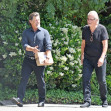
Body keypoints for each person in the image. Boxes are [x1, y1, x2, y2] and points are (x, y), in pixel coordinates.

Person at [12, 12, 52, 107]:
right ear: (30, 21)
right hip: (28, 60)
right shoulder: (26, 32)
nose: (38, 22)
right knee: (23, 79)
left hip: (40, 60)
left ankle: (41, 101)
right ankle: (19, 99)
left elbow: (48, 46)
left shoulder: (44, 32)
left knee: (40, 80)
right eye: (35, 20)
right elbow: (24, 45)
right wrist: (32, 49)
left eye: (38, 20)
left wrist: (48, 57)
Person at [80, 11, 108, 108]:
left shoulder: (102, 29)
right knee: (85, 79)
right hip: (88, 58)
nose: (88, 21)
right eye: (88, 19)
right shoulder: (85, 29)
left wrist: (102, 57)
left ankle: (104, 99)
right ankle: (87, 101)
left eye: (91, 19)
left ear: (96, 20)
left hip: (99, 59)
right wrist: (82, 55)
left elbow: (105, 45)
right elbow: (83, 44)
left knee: (101, 81)